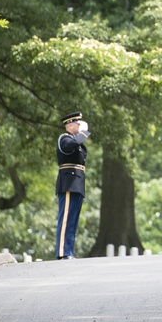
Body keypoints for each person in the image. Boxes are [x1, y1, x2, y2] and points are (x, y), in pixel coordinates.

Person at [56, 111, 90, 260]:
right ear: (70, 125)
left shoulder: (77, 141)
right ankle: (63, 252)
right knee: (66, 219)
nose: (80, 126)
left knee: (73, 220)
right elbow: (72, 144)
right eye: (77, 123)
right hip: (69, 183)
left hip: (77, 183)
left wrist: (81, 133)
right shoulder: (64, 139)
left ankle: (69, 251)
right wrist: (83, 132)